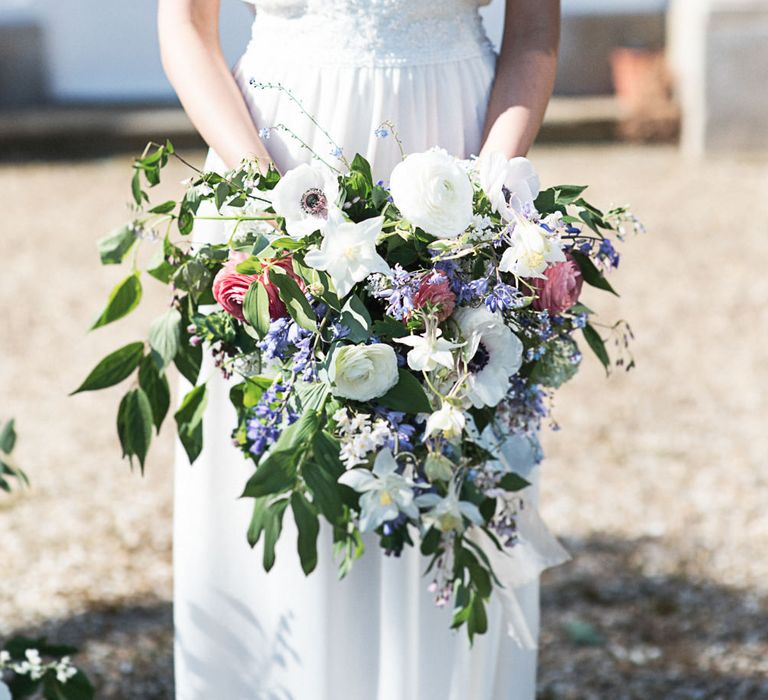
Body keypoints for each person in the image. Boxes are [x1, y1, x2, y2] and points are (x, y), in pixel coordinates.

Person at [159, 1, 560, 698]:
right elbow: (187, 25)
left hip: (456, 162)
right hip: (272, 159)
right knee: (289, 457)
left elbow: (534, 34)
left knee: (444, 456)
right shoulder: (266, 190)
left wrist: (489, 194)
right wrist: (266, 197)